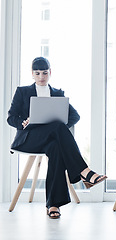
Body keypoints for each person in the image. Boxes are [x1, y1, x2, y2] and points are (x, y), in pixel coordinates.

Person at [7, 57, 107, 219]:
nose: (41, 76)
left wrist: (56, 126)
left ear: (50, 73)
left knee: (56, 147)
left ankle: (53, 204)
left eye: (45, 73)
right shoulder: (22, 91)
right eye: (37, 73)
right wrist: (23, 122)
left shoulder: (57, 94)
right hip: (29, 139)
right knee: (58, 127)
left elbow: (75, 116)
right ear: (32, 74)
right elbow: (11, 118)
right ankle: (84, 171)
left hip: (50, 140)